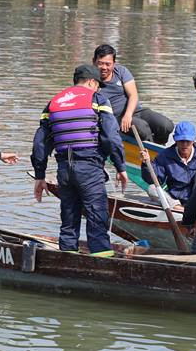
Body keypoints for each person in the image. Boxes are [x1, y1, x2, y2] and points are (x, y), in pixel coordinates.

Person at [31, 64, 129, 257]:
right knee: (96, 215)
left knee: (69, 217)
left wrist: (40, 175)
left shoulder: (54, 102)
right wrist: (120, 166)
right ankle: (102, 262)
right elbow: (111, 137)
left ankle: (68, 256)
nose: (98, 88)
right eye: (98, 85)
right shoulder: (97, 99)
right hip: (89, 166)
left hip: (64, 170)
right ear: (92, 82)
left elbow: (40, 144)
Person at [92, 44, 174, 144]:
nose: (104, 67)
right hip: (116, 118)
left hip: (134, 111)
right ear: (94, 62)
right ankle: (151, 153)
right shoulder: (90, 81)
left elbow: (133, 95)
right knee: (142, 128)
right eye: (100, 63)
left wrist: (128, 115)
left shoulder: (121, 71)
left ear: (114, 64)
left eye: (108, 64)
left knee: (166, 125)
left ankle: (160, 148)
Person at [139, 121, 196, 206]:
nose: (184, 144)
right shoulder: (165, 156)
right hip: (175, 200)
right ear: (174, 139)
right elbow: (154, 180)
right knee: (152, 188)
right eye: (181, 141)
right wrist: (146, 163)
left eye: (188, 141)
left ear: (194, 139)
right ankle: (178, 208)